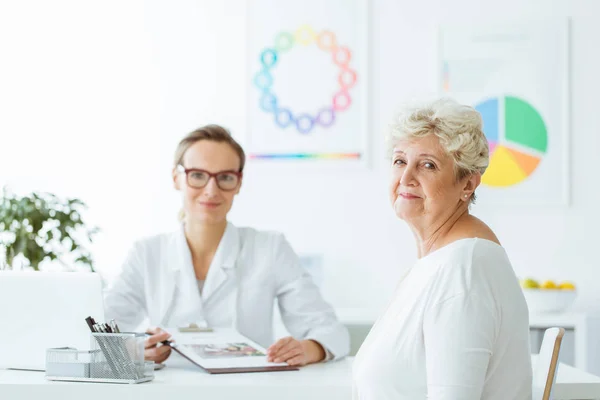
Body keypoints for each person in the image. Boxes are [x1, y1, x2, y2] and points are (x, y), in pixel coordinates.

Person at [104, 124, 349, 366]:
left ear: (239, 183)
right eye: (197, 175)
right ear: (176, 178)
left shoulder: (270, 248)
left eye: (225, 178)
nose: (211, 190)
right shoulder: (146, 253)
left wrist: (308, 348)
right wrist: (135, 349)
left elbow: (331, 332)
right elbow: (99, 333)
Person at [352, 98, 532, 399]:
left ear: (467, 185)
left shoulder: (465, 270)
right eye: (400, 161)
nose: (406, 178)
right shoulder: (437, 263)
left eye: (428, 165)